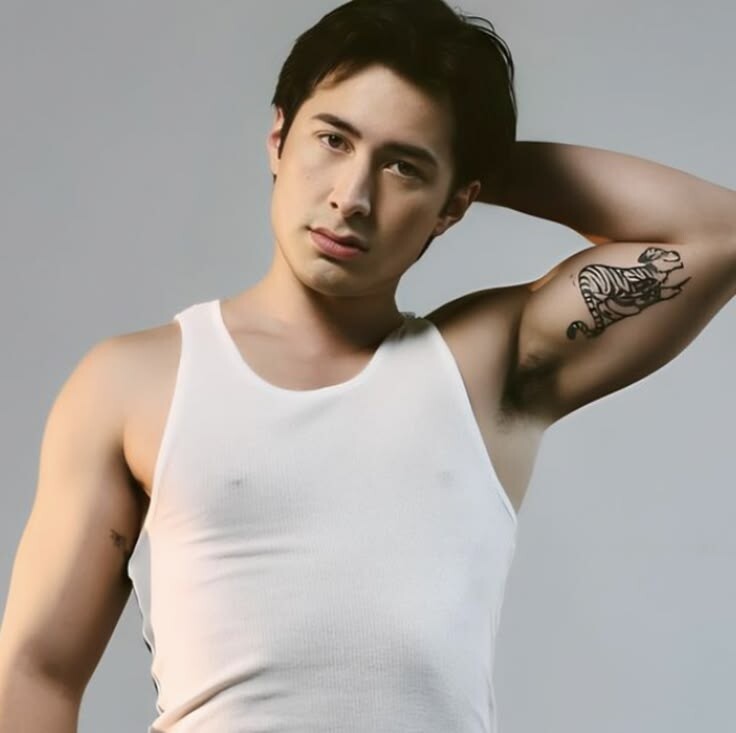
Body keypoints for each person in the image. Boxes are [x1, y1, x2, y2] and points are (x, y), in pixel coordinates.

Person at [1, 0, 735, 730]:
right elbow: (36, 670)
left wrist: (471, 160)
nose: (351, 197)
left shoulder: (484, 369)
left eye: (401, 167)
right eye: (333, 140)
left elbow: (717, 234)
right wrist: (435, 161)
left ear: (455, 207)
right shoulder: (133, 384)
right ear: (277, 138)